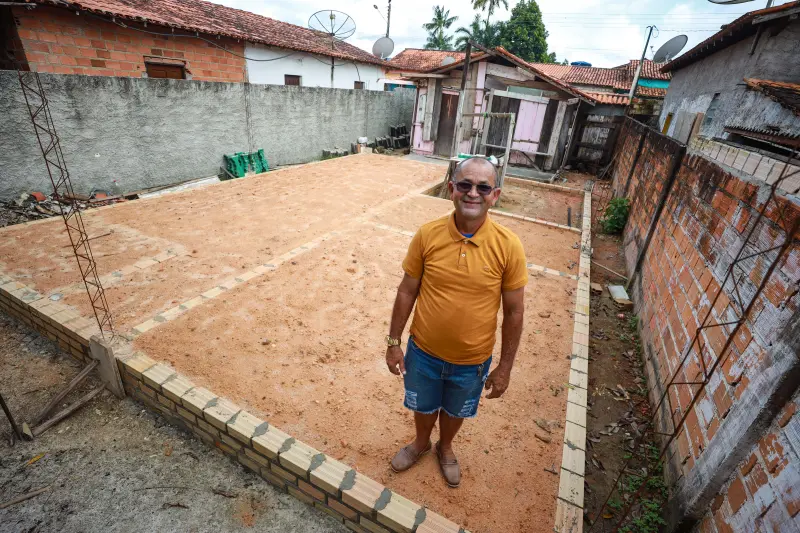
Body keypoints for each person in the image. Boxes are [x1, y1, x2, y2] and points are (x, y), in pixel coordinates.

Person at [384, 157, 527, 488]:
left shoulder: (509, 246)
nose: (472, 193)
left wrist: (505, 367)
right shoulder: (427, 235)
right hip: (423, 352)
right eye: (465, 184)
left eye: (483, 187)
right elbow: (407, 291)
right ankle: (421, 442)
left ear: (495, 195)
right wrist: (393, 344)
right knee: (423, 403)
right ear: (452, 189)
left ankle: (445, 446)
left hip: (472, 361)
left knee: (455, 411)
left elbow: (515, 312)